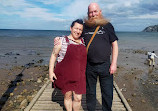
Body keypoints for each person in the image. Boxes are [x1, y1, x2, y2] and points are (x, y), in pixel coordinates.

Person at [82, 3, 118, 111]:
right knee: (90, 93)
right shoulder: (84, 27)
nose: (93, 14)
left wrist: (114, 63)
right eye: (90, 12)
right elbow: (74, 37)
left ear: (100, 12)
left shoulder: (107, 25)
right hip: (89, 65)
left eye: (95, 11)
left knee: (107, 93)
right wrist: (60, 39)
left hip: (105, 65)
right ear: (88, 14)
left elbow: (114, 45)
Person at [49, 19, 87, 111]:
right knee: (68, 96)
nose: (78, 31)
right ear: (71, 28)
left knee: (78, 98)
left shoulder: (83, 41)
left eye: (80, 30)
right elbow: (54, 55)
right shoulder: (62, 41)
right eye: (76, 28)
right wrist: (50, 72)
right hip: (66, 76)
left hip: (80, 75)